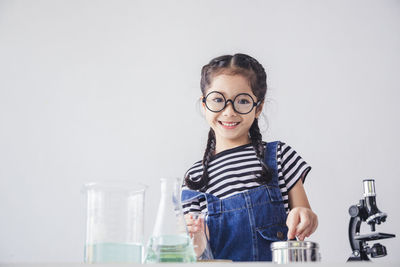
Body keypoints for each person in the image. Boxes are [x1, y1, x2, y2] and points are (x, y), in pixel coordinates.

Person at [181, 53, 318, 261]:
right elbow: (192, 254)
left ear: (258, 107)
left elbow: (303, 216)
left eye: (242, 101)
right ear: (204, 104)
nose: (229, 112)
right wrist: (194, 240)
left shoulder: (279, 156)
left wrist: (306, 217)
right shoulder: (194, 177)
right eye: (218, 99)